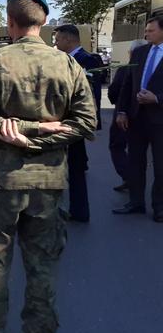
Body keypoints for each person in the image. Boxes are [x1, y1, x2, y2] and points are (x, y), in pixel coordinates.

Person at [0, 0, 96, 333]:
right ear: (45, 24)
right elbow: (86, 123)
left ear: (10, 22)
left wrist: (16, 133)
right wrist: (36, 130)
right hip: (48, 185)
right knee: (42, 271)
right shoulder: (68, 64)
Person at [114, 14, 163, 222]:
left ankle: (159, 207)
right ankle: (136, 202)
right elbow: (127, 84)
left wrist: (157, 98)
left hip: (160, 120)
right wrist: (122, 111)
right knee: (135, 162)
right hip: (135, 117)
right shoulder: (140, 52)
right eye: (146, 30)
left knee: (161, 165)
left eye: (151, 30)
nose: (146, 34)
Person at [54, 24, 104, 222]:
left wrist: (88, 121)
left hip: (74, 121)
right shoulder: (65, 59)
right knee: (76, 164)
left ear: (68, 39)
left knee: (74, 167)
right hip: (65, 120)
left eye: (57, 40)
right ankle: (77, 208)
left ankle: (79, 210)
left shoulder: (87, 60)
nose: (56, 44)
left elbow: (92, 94)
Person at [108, 39, 147, 192]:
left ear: (131, 53)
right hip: (145, 116)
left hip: (123, 115)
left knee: (117, 145)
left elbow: (114, 91)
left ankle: (129, 176)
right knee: (137, 150)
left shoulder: (125, 69)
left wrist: (118, 106)